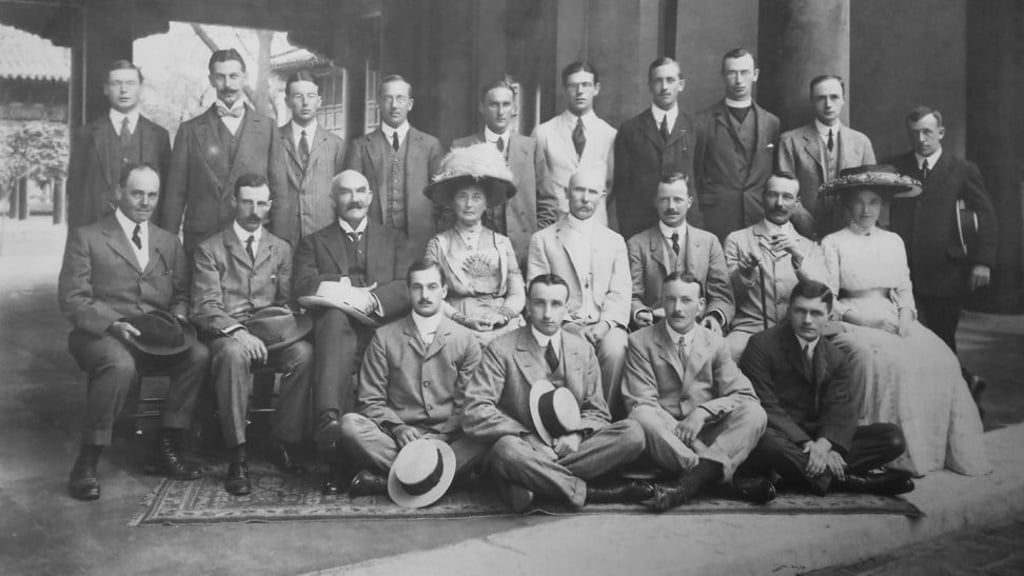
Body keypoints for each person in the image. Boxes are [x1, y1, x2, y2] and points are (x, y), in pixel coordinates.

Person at [819, 165, 990, 476]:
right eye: (860, 201)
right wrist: (866, 323)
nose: (867, 209)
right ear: (848, 204)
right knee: (885, 362)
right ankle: (879, 452)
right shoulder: (833, 242)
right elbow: (828, 298)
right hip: (853, 318)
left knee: (940, 358)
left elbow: (903, 287)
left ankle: (931, 451)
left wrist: (906, 317)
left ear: (882, 205)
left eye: (873, 202)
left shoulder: (893, 240)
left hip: (892, 314)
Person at [58, 163, 208, 501]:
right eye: (137, 193)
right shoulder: (88, 237)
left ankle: (166, 444)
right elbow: (72, 298)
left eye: (152, 195)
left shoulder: (168, 242)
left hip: (153, 336)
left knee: (198, 356)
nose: (144, 202)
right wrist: (111, 323)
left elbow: (182, 293)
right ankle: (88, 459)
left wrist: (178, 318)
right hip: (101, 334)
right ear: (119, 192)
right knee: (119, 365)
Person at [462, 274, 649, 512]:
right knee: (506, 451)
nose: (547, 313)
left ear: (567, 308)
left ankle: (530, 481)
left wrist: (577, 436)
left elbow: (598, 411)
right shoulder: (501, 349)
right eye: (540, 303)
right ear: (528, 306)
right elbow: (475, 410)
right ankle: (590, 492)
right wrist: (525, 436)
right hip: (525, 448)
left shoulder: (583, 349)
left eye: (556, 304)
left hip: (569, 448)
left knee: (633, 434)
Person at [191, 174, 313, 495]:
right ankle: (238, 452)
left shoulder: (281, 249)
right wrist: (237, 332)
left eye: (260, 203)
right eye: (246, 201)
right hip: (225, 332)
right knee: (233, 354)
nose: (253, 210)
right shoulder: (210, 249)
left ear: (269, 206)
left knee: (303, 355)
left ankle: (282, 440)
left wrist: (277, 327)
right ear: (234, 202)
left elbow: (284, 302)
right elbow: (205, 306)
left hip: (270, 334)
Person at [736, 280, 915, 498]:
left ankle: (799, 473)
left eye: (816, 313)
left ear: (829, 315)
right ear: (789, 310)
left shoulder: (836, 357)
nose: (807, 320)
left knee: (892, 438)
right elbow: (765, 405)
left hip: (811, 441)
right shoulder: (761, 345)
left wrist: (826, 445)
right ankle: (851, 482)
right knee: (764, 441)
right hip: (779, 434)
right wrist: (809, 444)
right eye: (800, 311)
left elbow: (840, 409)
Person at [332, 260, 485, 497]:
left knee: (488, 435)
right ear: (408, 291)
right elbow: (370, 399)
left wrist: (444, 434)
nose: (425, 295)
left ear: (444, 291)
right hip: (399, 440)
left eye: (432, 287)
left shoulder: (466, 339)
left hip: (448, 438)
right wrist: (399, 428)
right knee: (350, 426)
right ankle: (449, 477)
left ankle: (387, 482)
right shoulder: (384, 337)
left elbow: (469, 402)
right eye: (417, 287)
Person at [622, 273, 767, 510]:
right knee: (641, 416)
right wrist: (694, 444)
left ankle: (690, 482)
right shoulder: (640, 341)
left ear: (701, 306)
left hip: (708, 430)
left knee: (754, 413)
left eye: (686, 300)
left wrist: (702, 412)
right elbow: (641, 401)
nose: (677, 308)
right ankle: (712, 475)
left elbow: (744, 395)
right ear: (661, 301)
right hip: (667, 437)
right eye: (670, 300)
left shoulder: (716, 343)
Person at [292, 169, 413, 450]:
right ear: (333, 199)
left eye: (360, 191)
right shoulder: (313, 242)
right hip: (333, 334)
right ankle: (329, 420)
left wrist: (373, 299)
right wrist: (344, 288)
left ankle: (350, 441)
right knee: (334, 320)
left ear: (370, 197)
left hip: (383, 328)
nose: (354, 198)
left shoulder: (394, 239)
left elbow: (408, 285)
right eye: (345, 192)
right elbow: (302, 285)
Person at [888, 106, 998, 405]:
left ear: (941, 132)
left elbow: (986, 217)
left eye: (927, 131)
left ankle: (956, 398)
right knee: (914, 338)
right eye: (915, 133)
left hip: (947, 271)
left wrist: (982, 261)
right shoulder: (895, 168)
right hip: (906, 270)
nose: (921, 138)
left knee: (942, 338)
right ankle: (959, 385)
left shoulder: (962, 169)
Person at [159, 49, 286, 253]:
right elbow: (175, 196)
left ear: (244, 78)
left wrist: (280, 248)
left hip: (252, 241)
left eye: (234, 76)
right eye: (220, 77)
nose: (228, 85)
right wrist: (166, 251)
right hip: (202, 241)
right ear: (211, 80)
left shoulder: (267, 128)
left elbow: (280, 193)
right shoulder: (189, 131)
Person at [527, 169, 631, 416]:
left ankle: (600, 416)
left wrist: (605, 324)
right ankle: (568, 417)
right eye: (579, 190)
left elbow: (620, 291)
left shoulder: (614, 240)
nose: (585, 198)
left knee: (616, 348)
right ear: (566, 193)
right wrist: (568, 324)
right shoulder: (543, 239)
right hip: (563, 323)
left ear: (602, 196)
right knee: (569, 348)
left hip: (603, 322)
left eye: (592, 192)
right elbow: (537, 290)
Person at [423, 144, 526, 342]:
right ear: (453, 202)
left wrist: (503, 314)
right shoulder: (438, 243)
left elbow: (517, 293)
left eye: (476, 197)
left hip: (499, 322)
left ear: (486, 203)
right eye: (462, 196)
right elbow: (430, 293)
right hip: (454, 321)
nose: (469, 204)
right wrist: (463, 319)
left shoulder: (502, 243)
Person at [450, 78, 557, 261]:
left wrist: (532, 240)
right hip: (475, 252)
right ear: (482, 107)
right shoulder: (462, 147)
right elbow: (448, 205)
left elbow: (549, 204)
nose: (500, 112)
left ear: (514, 108)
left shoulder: (530, 148)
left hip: (522, 254)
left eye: (506, 105)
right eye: (494, 105)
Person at [723, 174, 818, 360]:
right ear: (762, 197)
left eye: (787, 197)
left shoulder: (807, 246)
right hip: (749, 329)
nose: (779, 203)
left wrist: (798, 255)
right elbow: (727, 295)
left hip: (795, 330)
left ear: (797, 202)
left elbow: (820, 294)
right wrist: (743, 273)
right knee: (726, 354)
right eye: (773, 195)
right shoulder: (737, 240)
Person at [67, 60, 171, 229]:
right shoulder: (86, 135)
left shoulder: (159, 136)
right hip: (97, 234)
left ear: (140, 88)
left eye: (130, 83)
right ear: (106, 89)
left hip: (145, 234)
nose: (124, 90)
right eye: (116, 83)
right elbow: (75, 193)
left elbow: (167, 194)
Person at [343, 74, 443, 249]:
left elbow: (442, 196)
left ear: (410, 104)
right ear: (379, 103)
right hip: (373, 240)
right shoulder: (360, 146)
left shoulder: (430, 145)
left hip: (420, 240)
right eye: (388, 99)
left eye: (400, 99)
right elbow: (351, 197)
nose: (394, 105)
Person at [692, 48, 780, 242]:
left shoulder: (771, 123)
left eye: (745, 72)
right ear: (723, 76)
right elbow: (694, 175)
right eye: (732, 73)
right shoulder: (702, 122)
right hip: (716, 219)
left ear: (755, 75)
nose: (739, 80)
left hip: (758, 217)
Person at [629, 174, 733, 336]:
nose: (671, 206)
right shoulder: (637, 244)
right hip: (655, 330)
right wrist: (641, 312)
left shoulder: (709, 242)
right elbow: (633, 295)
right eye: (664, 199)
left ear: (689, 202)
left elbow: (722, 295)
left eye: (678, 199)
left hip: (699, 330)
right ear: (656, 203)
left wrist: (714, 316)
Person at [776, 75, 875, 239]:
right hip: (802, 234)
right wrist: (808, 227)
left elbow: (870, 193)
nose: (828, 104)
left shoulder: (861, 142)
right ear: (812, 101)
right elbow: (785, 192)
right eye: (821, 98)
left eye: (834, 97)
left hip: (850, 233)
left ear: (843, 100)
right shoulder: (790, 141)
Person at [614, 57, 696, 240]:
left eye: (670, 80)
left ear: (681, 84)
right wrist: (629, 233)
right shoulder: (630, 130)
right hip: (641, 228)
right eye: (658, 81)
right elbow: (623, 191)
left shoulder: (695, 128)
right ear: (650, 86)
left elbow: (701, 183)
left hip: (687, 229)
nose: (664, 87)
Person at [533, 61, 617, 226]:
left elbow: (611, 185)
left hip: (596, 224)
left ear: (596, 88)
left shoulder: (609, 134)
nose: (580, 92)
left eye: (586, 85)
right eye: (573, 85)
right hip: (555, 223)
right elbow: (536, 184)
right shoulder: (544, 132)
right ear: (565, 89)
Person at [272, 71, 347, 247]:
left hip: (324, 236)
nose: (305, 102)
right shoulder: (273, 140)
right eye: (298, 96)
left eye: (311, 96)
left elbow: (342, 195)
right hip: (281, 238)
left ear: (319, 101)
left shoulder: (336, 144)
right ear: (287, 101)